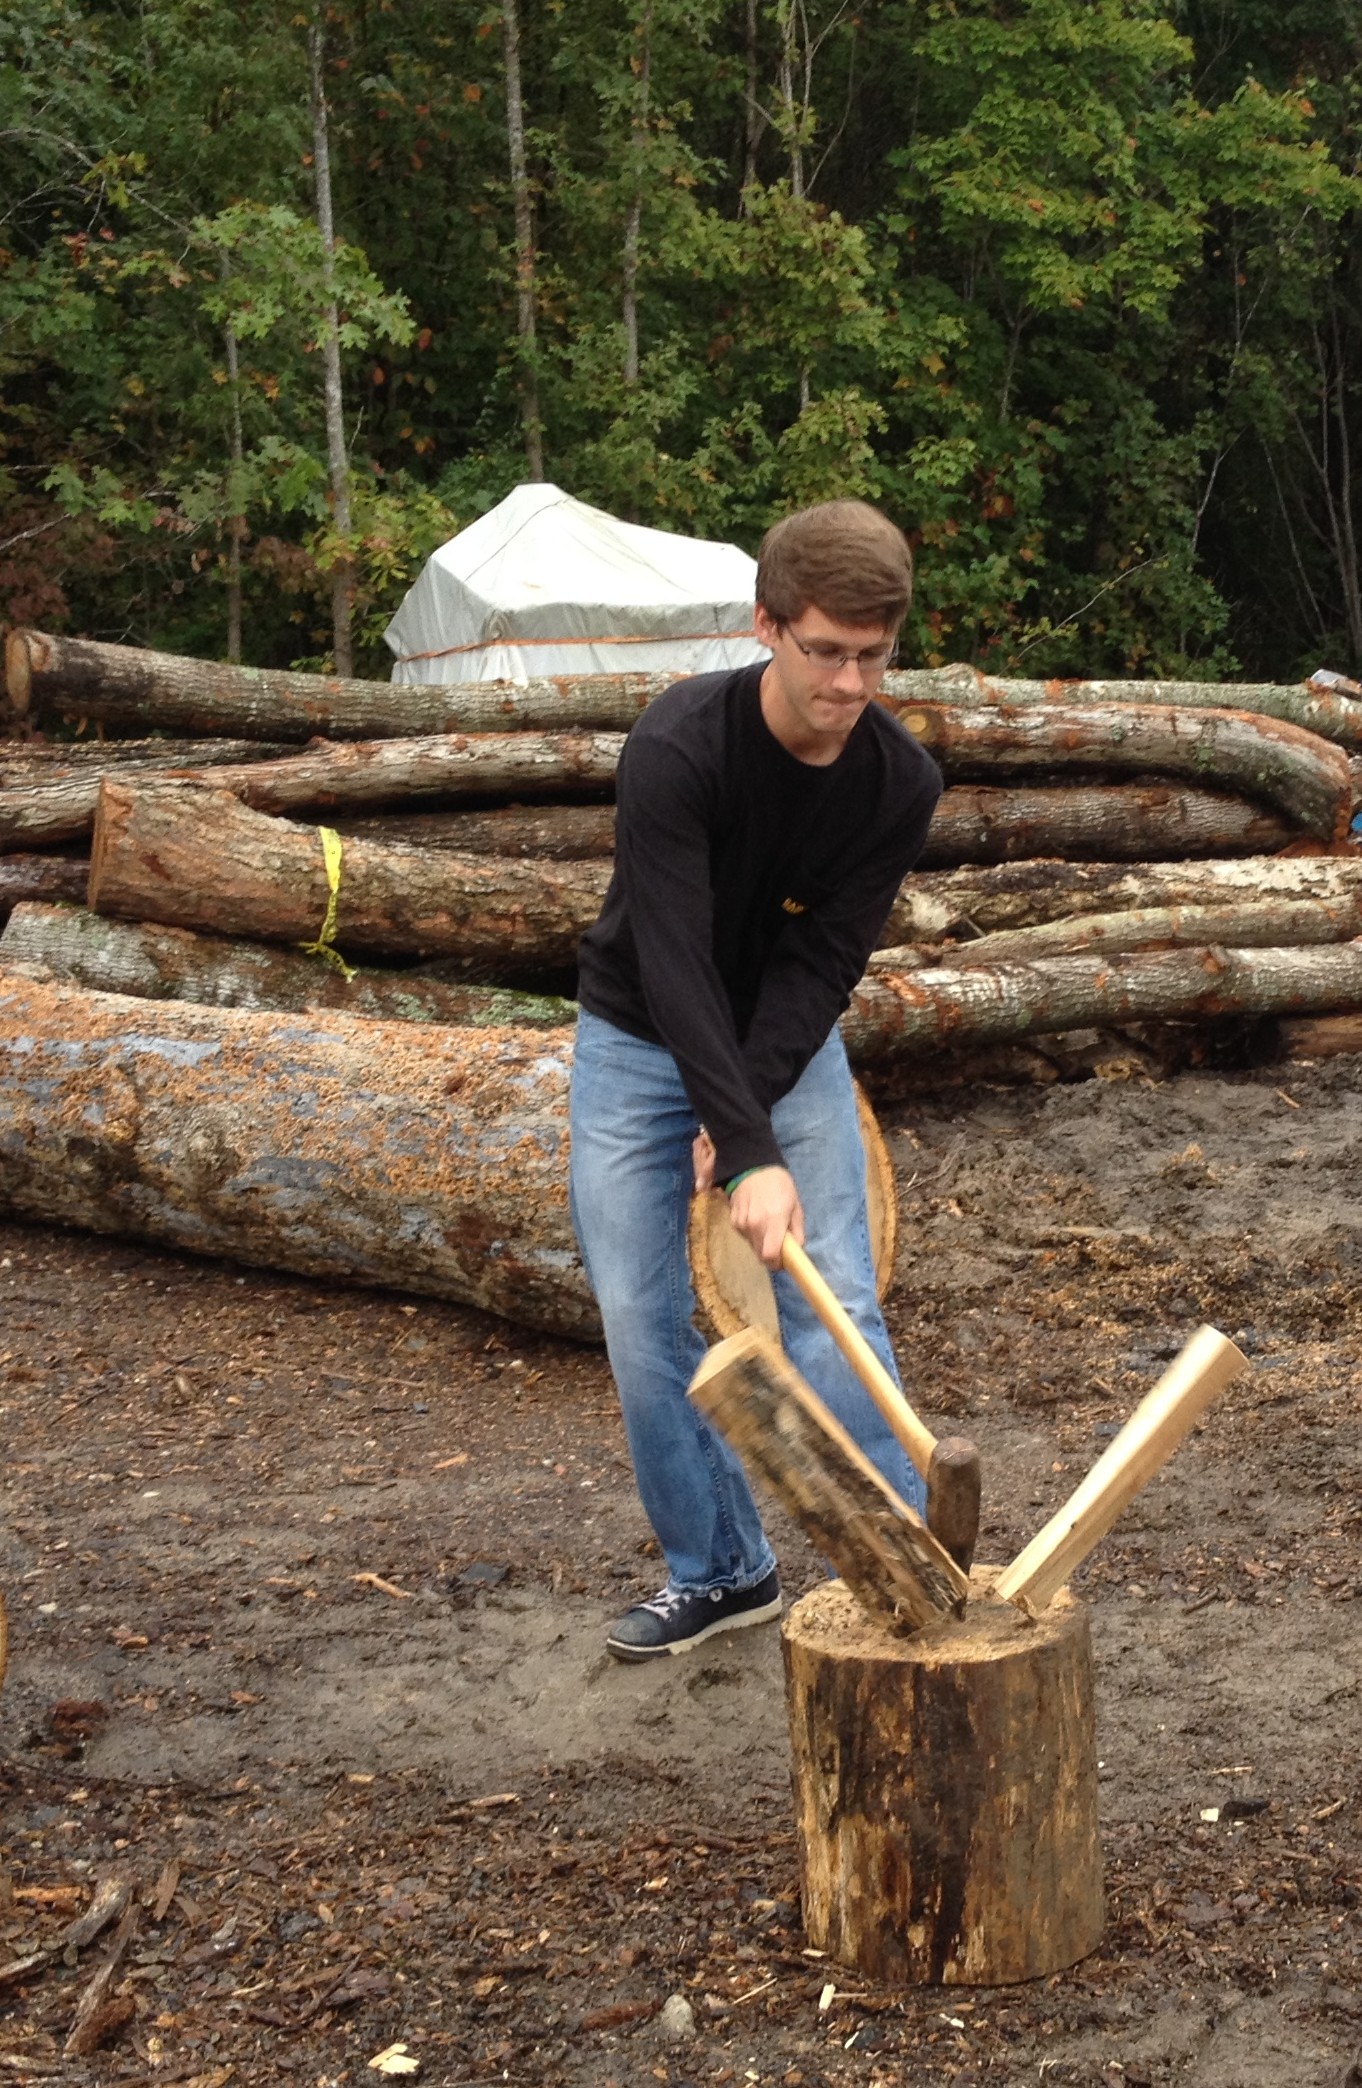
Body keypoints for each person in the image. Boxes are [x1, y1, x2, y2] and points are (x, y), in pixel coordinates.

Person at [569, 498, 942, 1661]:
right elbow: (673, 960)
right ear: (767, 627)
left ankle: (912, 1571)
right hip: (636, 1035)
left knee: (834, 1300)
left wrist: (754, 1118)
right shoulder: (681, 745)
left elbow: (821, 962)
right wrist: (739, 1142)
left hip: (784, 1043)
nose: (845, 684)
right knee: (639, 1314)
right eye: (823, 652)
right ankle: (723, 1571)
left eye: (870, 658)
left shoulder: (898, 783)